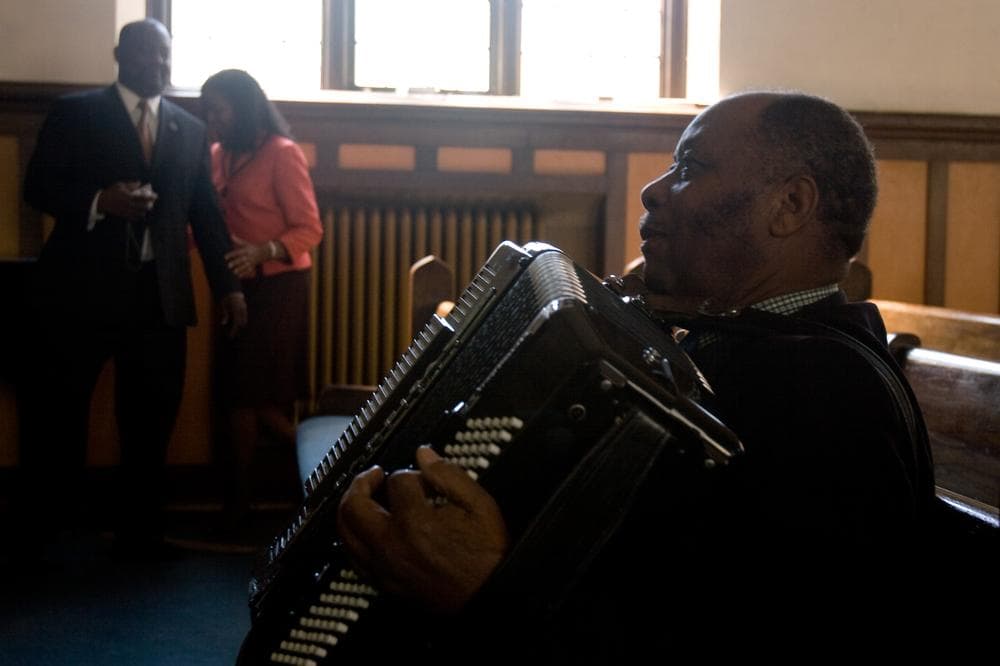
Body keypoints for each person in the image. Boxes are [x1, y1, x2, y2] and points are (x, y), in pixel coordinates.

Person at [336, 91, 947, 656]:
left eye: (691, 168)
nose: (653, 191)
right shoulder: (727, 349)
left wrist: (492, 589)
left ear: (789, 205)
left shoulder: (828, 393)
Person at [17, 18, 247, 560]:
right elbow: (38, 187)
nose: (159, 69)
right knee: (62, 412)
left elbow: (208, 218)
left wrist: (229, 287)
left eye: (166, 60)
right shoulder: (77, 113)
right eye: (148, 57)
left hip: (158, 294)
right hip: (80, 292)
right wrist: (101, 201)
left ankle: (138, 536)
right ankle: (50, 534)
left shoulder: (188, 130)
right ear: (120, 55)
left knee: (151, 418)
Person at [199, 69, 323, 528]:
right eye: (206, 108)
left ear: (244, 107)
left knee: (246, 396)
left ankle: (242, 503)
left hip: (278, 286)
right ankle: (331, 474)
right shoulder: (216, 154)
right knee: (251, 397)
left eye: (218, 109)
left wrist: (261, 251)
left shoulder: (282, 154)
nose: (210, 117)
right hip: (236, 286)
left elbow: (310, 229)